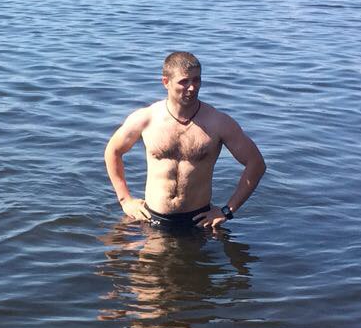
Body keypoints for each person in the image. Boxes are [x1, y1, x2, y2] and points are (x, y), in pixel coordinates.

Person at [105, 52, 265, 230]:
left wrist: (227, 210)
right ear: (166, 82)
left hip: (199, 221)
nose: (192, 88)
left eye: (197, 80)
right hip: (151, 218)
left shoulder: (218, 122)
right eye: (184, 82)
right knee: (112, 245)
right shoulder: (146, 118)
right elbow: (113, 151)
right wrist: (125, 199)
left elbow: (256, 163)